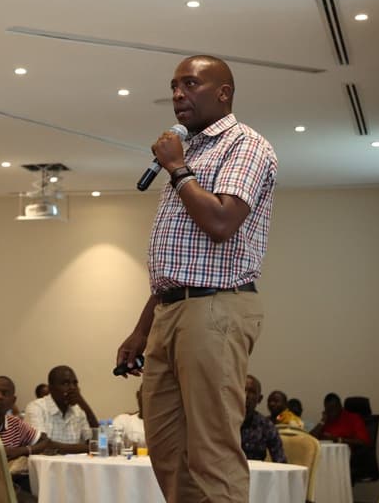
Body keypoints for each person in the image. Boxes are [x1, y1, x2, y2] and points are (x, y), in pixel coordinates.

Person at [116, 55, 277, 503]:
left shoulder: (245, 145)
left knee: (211, 451)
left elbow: (222, 223)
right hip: (171, 309)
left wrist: (177, 168)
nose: (177, 94)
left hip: (216, 308)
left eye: (190, 84)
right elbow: (179, 262)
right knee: (167, 451)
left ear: (223, 92)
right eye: (173, 85)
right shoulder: (192, 152)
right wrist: (142, 327)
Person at [22, 365, 98, 453]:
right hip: (43, 466)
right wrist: (88, 448)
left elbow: (97, 442)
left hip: (73, 466)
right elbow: (43, 446)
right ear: (51, 388)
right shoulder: (36, 408)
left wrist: (82, 403)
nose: (72, 388)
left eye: (75, 383)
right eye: (66, 383)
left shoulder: (78, 410)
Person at [240, 376, 285, 462]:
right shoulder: (223, 422)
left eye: (252, 392)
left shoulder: (266, 426)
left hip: (256, 473)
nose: (246, 396)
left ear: (259, 399)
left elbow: (280, 460)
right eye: (242, 390)